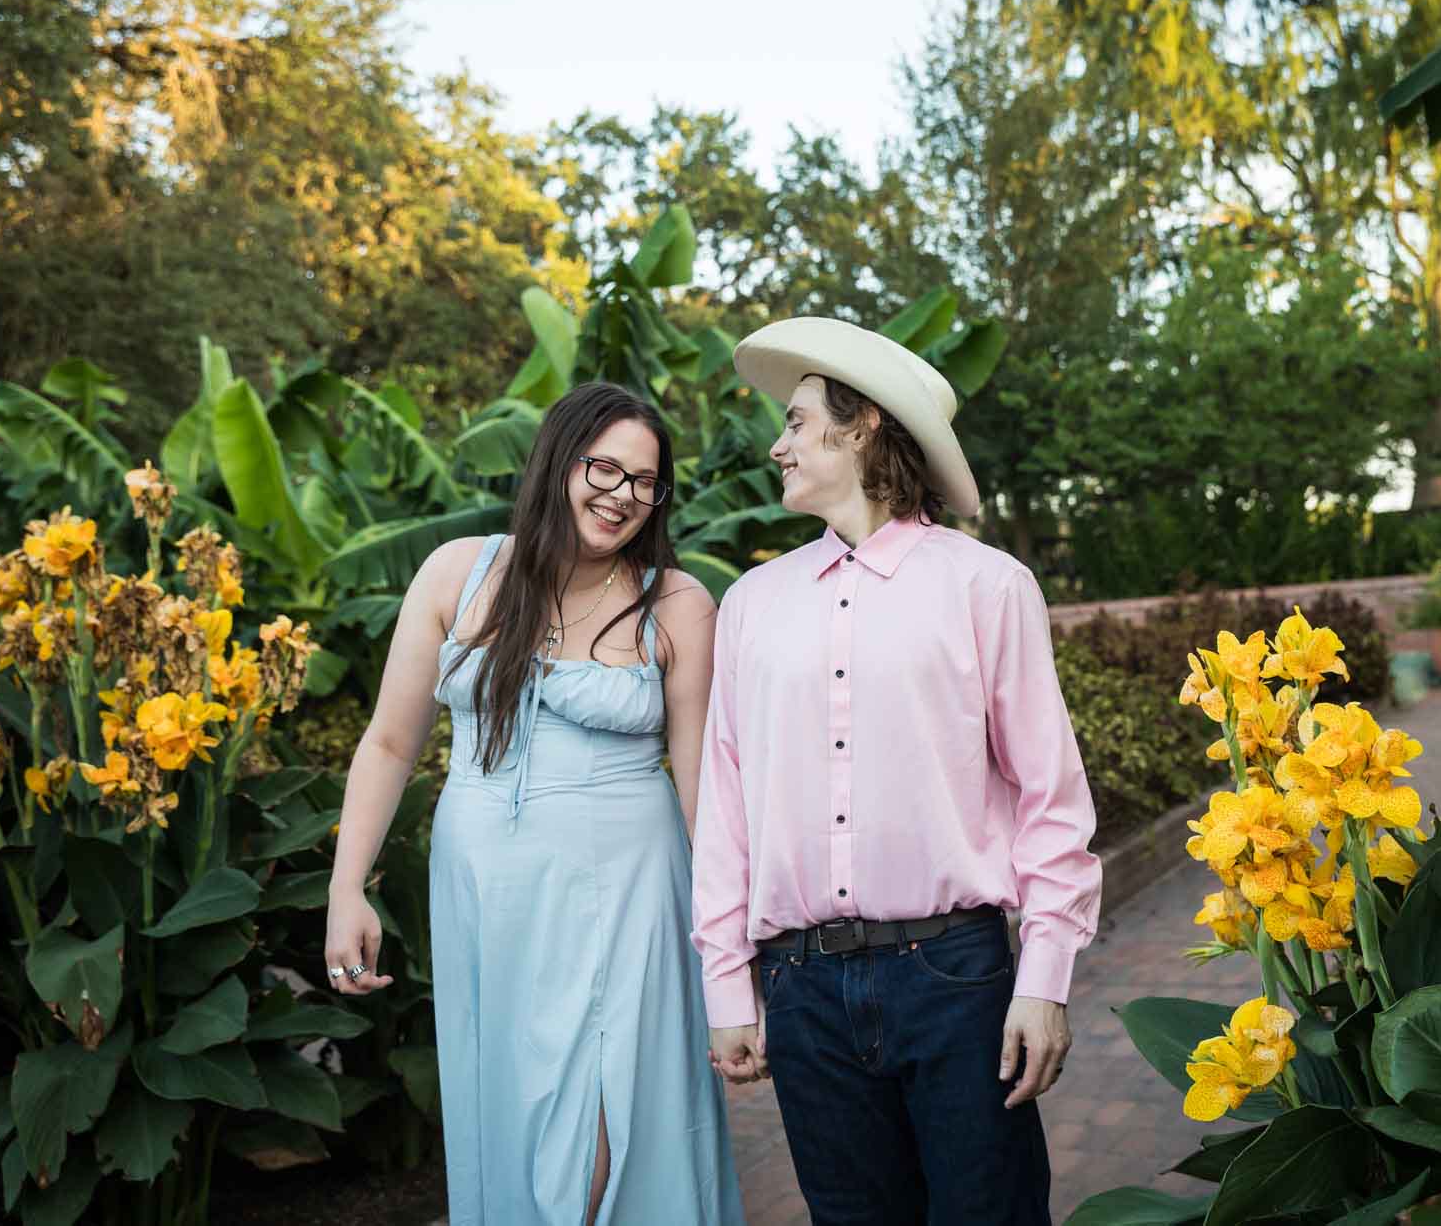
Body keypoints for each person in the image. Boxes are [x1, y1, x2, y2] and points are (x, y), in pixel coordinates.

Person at [692, 317, 1102, 1225]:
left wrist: (1044, 980)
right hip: (800, 992)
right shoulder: (750, 605)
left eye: (798, 421)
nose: (777, 442)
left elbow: (1050, 800)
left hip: (956, 980)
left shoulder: (988, 586)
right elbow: (727, 811)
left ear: (864, 423)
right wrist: (728, 985)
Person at [324, 381, 743, 1225]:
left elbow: (703, 788)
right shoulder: (458, 571)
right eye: (605, 468)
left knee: (598, 1124)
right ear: (560, 459)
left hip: (626, 892)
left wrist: (733, 952)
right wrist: (346, 887)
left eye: (645, 482)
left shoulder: (678, 604)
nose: (622, 495)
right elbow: (389, 743)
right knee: (512, 1109)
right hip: (487, 894)